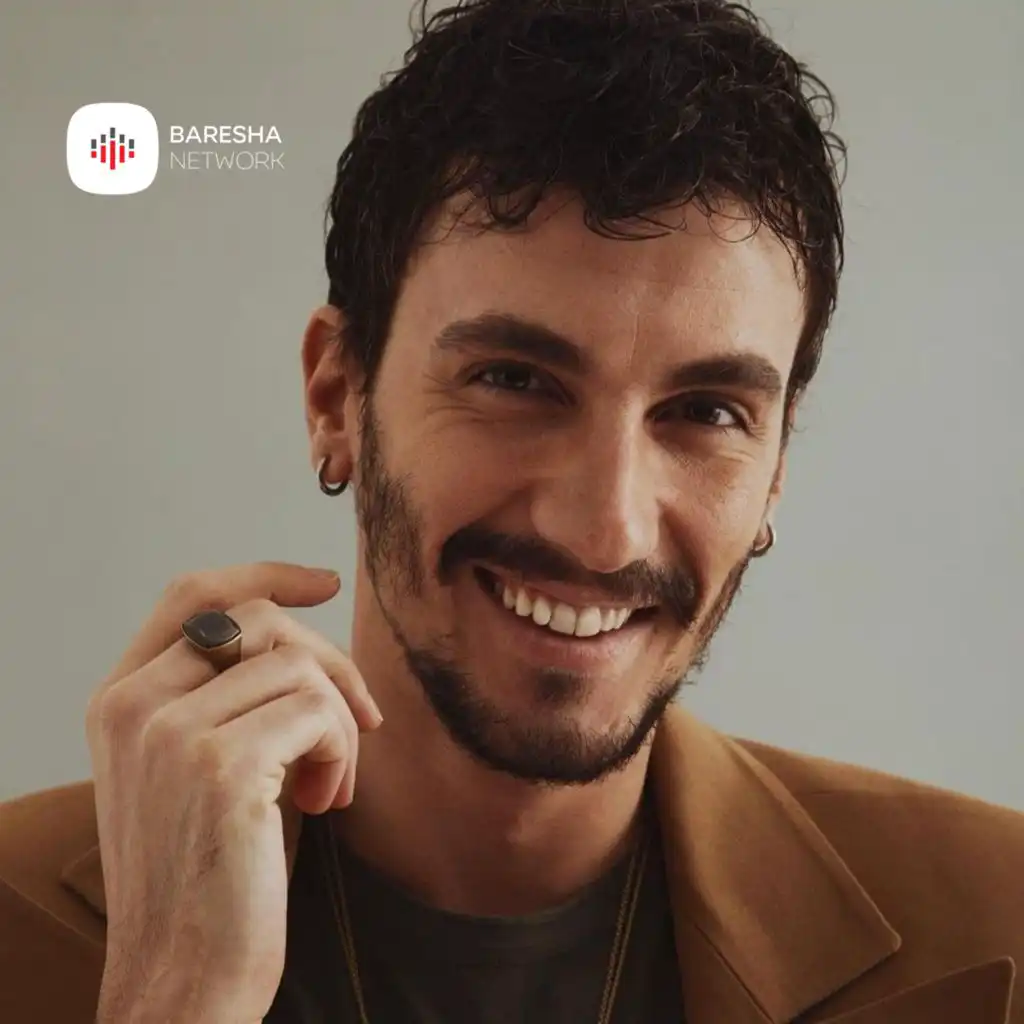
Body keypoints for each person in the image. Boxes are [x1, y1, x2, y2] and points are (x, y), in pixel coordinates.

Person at [1, 0, 1022, 1021]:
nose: (606, 530)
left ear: (777, 465)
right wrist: (173, 997)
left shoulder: (998, 914)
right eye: (515, 380)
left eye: (707, 411)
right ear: (336, 396)